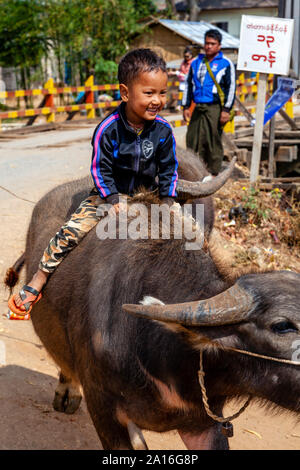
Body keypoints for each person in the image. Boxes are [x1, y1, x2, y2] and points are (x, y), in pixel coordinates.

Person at [8, 48, 178, 317]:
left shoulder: (163, 131)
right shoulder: (108, 129)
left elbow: (169, 168)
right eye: (149, 93)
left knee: (189, 233)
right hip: (108, 195)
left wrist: (168, 201)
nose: (157, 100)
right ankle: (37, 279)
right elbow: (100, 169)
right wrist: (112, 199)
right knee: (71, 231)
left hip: (149, 195)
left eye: (162, 93)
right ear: (125, 93)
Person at [182, 29, 236, 176]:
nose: (209, 46)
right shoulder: (196, 62)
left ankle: (212, 173)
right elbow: (188, 84)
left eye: (213, 44)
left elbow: (231, 87)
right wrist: (186, 105)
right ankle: (191, 171)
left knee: (212, 139)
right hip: (197, 106)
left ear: (219, 46)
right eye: (207, 43)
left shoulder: (226, 64)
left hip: (215, 107)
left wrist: (226, 110)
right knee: (192, 138)